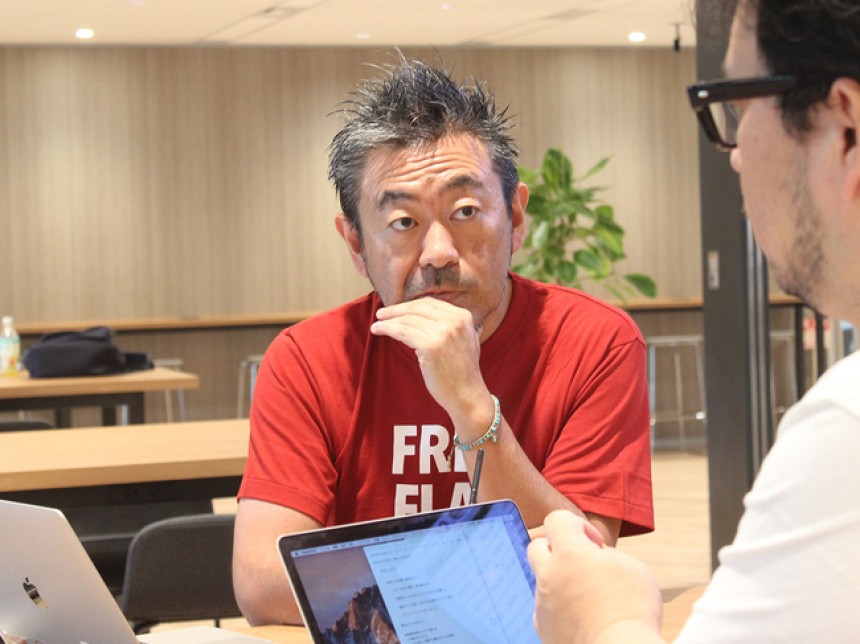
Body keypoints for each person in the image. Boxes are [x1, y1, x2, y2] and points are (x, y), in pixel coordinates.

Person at [232, 55, 654, 626]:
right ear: (355, 244)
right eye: (403, 222)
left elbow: (581, 576)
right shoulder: (307, 359)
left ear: (516, 219)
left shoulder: (595, 342)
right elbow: (262, 583)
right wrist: (475, 582)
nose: (438, 252)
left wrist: (472, 407)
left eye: (466, 211)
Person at [527, 0, 860, 641]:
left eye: (739, 107)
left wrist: (606, 618)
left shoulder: (847, 425)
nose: (734, 156)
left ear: (845, 127)